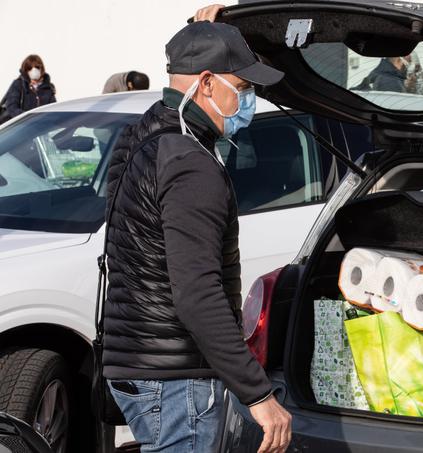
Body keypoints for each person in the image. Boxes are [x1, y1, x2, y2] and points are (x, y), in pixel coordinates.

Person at [102, 6, 292, 453]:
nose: (248, 102)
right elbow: (197, 293)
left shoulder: (142, 136)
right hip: (177, 377)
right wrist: (258, 394)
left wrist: (202, 33)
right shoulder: (192, 164)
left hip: (132, 363)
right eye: (243, 88)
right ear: (208, 83)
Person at [1, 54, 56, 120]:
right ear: (25, 70)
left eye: (37, 67)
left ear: (42, 69)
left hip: (40, 126)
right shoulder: (19, 84)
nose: (34, 70)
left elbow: (53, 110)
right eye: (29, 68)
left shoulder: (48, 88)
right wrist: (28, 118)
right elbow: (11, 107)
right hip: (19, 125)